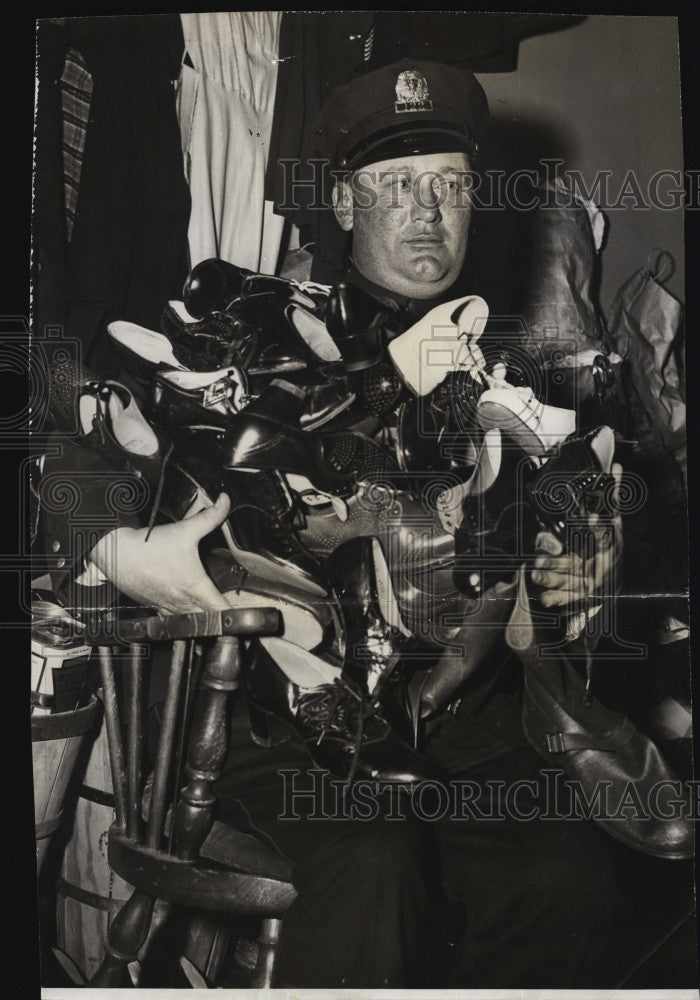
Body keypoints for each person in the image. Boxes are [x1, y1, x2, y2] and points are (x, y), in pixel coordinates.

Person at [39, 59, 689, 988]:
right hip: (278, 727)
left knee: (567, 876)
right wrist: (122, 546)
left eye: (450, 186)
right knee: (374, 858)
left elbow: (553, 586)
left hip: (462, 722)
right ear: (344, 204)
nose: (427, 211)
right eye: (395, 185)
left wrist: (581, 579)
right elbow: (70, 429)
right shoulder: (244, 326)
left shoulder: (509, 383)